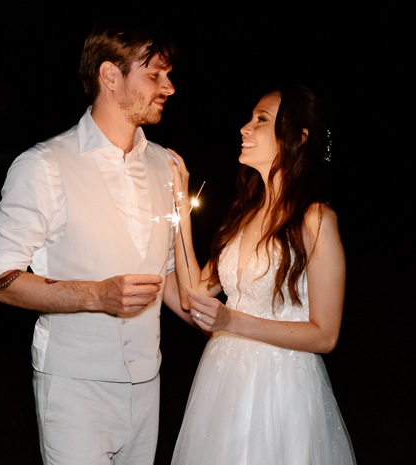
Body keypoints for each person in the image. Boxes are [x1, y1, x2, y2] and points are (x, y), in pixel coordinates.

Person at [0, 16, 197, 465]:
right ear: (110, 75)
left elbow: (171, 283)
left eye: (168, 74)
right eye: (155, 74)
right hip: (75, 388)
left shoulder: (165, 165)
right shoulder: (45, 165)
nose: (169, 86)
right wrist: (97, 295)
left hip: (149, 385)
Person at [167, 83, 357, 464]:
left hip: (281, 388)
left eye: (261, 120)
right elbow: (193, 295)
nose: (245, 128)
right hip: (222, 383)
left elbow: (326, 334)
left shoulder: (315, 220)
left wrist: (231, 320)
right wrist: (178, 210)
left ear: (297, 139)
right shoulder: (242, 218)